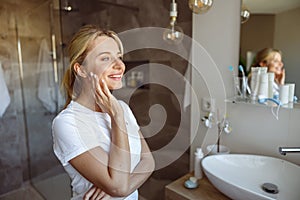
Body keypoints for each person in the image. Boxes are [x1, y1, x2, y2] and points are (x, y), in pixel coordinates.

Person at [52, 24, 155, 200]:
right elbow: (118, 186)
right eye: (106, 58)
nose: (120, 65)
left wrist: (119, 187)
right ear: (81, 69)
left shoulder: (122, 107)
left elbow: (149, 162)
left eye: (119, 57)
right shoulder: (67, 123)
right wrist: (116, 118)